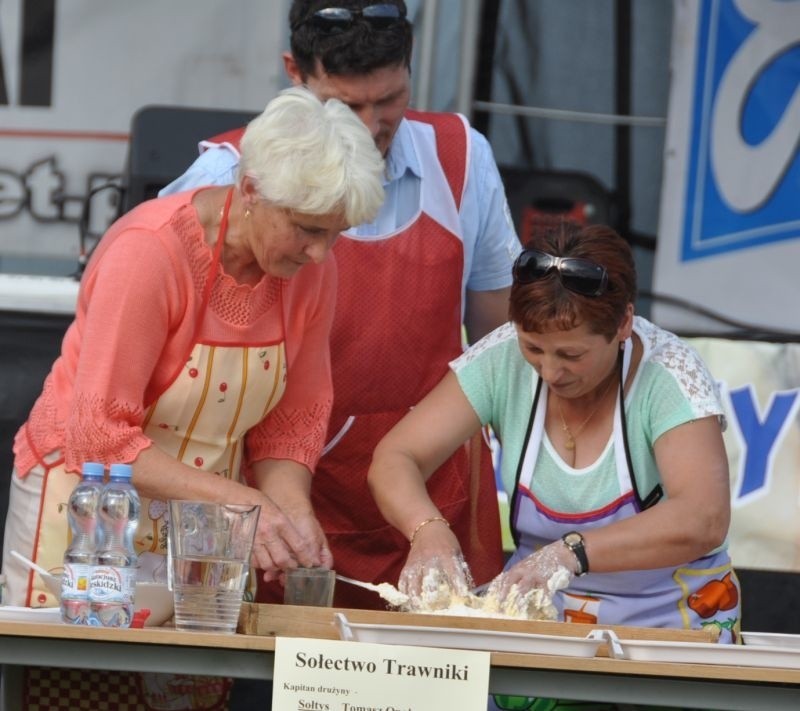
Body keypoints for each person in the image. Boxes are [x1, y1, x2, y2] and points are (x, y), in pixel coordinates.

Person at [162, 0, 520, 608]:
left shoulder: (462, 157)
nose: (371, 125)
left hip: (429, 499)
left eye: (390, 99)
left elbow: (503, 343)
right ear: (293, 74)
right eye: (347, 105)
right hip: (274, 501)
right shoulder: (225, 175)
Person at [2, 86, 385, 609]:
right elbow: (99, 437)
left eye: (336, 234)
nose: (320, 253)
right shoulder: (149, 253)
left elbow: (290, 425)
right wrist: (243, 501)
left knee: (179, 688)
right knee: (80, 683)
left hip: (206, 528)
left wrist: (291, 510)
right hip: (90, 516)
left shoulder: (310, 272)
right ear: (250, 189)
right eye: (307, 229)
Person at [368, 222, 742, 654]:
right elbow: (396, 457)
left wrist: (569, 553)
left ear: (623, 324)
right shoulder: (502, 359)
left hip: (673, 623)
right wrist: (426, 529)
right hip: (545, 621)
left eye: (572, 355)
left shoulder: (668, 375)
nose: (549, 372)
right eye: (533, 349)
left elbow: (703, 517)